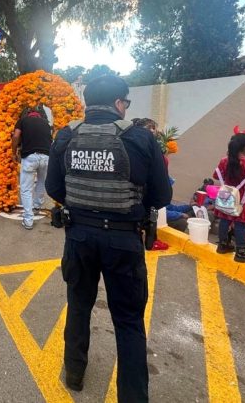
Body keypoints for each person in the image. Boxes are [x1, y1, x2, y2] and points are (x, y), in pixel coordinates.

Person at [45, 75, 171, 399]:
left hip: (79, 238)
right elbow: (162, 195)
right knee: (128, 321)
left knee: (78, 306)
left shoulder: (66, 136)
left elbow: (53, 188)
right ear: (118, 103)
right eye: (126, 103)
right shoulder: (140, 138)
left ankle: (74, 373)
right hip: (123, 241)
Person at [212, 130, 245, 263]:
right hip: (242, 198)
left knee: (224, 220)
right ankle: (241, 252)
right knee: (240, 224)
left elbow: (215, 175)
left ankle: (222, 245)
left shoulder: (224, 160)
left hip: (226, 197)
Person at [12, 106, 52, 230]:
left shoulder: (23, 120)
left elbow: (15, 136)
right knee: (41, 182)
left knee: (25, 189)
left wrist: (14, 152)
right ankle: (37, 206)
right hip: (46, 157)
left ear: (28, 114)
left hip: (30, 156)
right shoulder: (46, 123)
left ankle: (28, 220)